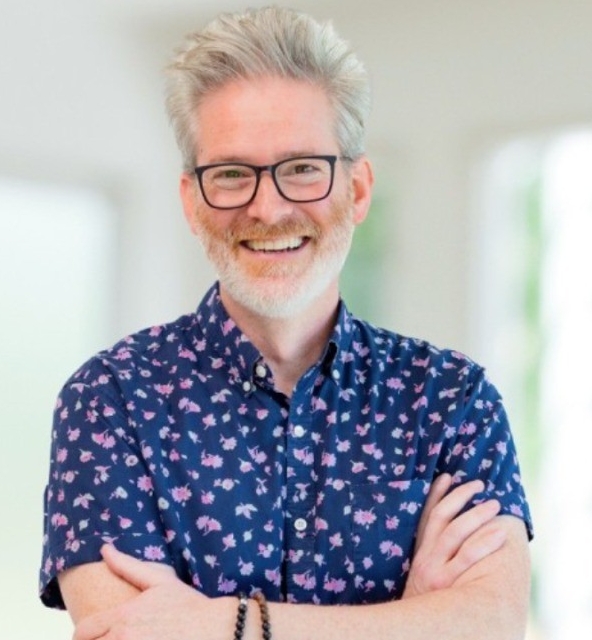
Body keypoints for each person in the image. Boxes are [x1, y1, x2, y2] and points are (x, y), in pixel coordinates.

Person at [39, 6, 533, 640]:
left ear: (357, 189)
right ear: (192, 201)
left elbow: (492, 626)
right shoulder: (111, 400)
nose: (268, 209)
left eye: (302, 168)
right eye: (231, 174)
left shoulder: (453, 400)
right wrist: (411, 620)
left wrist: (227, 623)